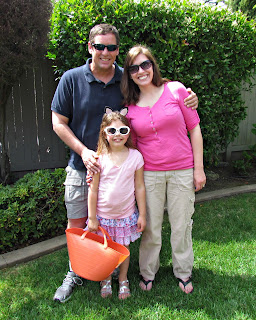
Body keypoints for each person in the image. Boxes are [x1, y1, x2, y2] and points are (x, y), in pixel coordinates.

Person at [51, 23, 198, 303]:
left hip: (120, 172)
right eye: (99, 46)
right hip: (82, 165)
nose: (105, 52)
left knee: (115, 224)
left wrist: (188, 96)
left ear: (118, 50)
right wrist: (83, 151)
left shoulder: (127, 79)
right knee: (79, 223)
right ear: (90, 47)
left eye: (111, 47)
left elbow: (155, 92)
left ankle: (117, 272)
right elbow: (58, 122)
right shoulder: (71, 79)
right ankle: (75, 273)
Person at [121, 45, 206, 294]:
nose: (141, 71)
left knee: (181, 225)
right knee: (150, 228)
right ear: (129, 74)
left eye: (145, 64)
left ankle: (183, 272)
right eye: (134, 68)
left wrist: (198, 169)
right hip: (150, 175)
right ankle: (148, 272)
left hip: (182, 171)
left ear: (153, 65)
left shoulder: (176, 90)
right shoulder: (130, 106)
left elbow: (195, 129)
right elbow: (132, 146)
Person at [87, 108, 146, 299]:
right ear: (104, 133)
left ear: (129, 132)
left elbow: (140, 187)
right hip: (103, 217)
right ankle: (105, 278)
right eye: (112, 131)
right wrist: (91, 217)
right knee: (105, 250)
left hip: (125, 216)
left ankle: (122, 279)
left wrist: (143, 214)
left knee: (123, 250)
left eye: (123, 130)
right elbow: (93, 190)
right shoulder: (99, 159)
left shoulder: (136, 157)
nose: (118, 135)